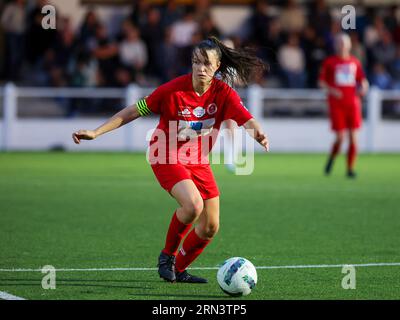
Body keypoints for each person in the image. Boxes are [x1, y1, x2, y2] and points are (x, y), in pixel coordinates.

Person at [72, 36, 269, 283]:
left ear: (217, 67)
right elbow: (134, 110)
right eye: (196, 62)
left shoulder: (223, 93)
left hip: (198, 160)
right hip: (165, 154)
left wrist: (257, 132)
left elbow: (245, 118)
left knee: (210, 227)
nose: (201, 68)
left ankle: (179, 271)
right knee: (193, 206)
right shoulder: (172, 90)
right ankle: (167, 257)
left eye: (207, 63)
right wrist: (96, 132)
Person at [319, 33, 369, 178]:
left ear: (349, 45)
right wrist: (332, 90)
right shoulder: (330, 62)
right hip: (336, 104)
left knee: (353, 137)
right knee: (340, 137)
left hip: (353, 104)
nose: (341, 46)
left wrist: (364, 87)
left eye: (344, 43)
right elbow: (321, 82)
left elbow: (362, 80)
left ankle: (350, 169)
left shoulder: (355, 62)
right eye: (339, 43)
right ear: (336, 46)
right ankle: (332, 158)